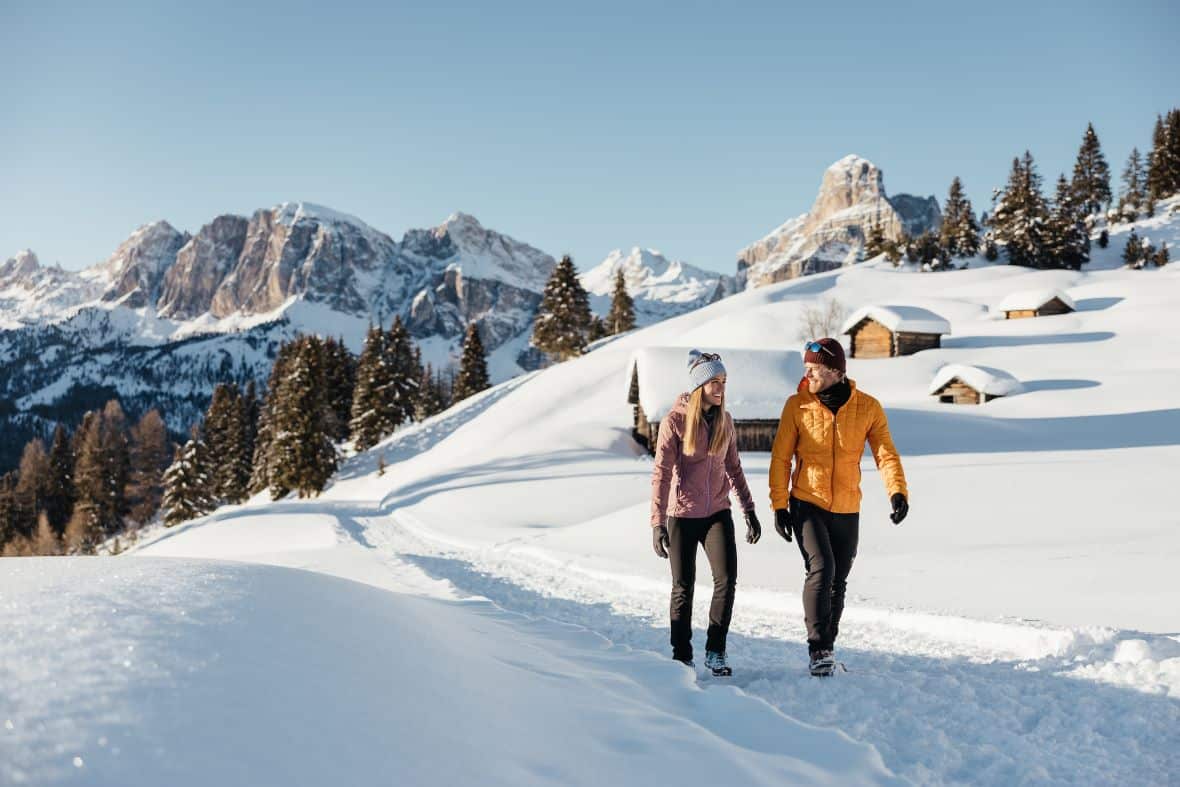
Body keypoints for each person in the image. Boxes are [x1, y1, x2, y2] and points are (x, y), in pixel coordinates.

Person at [769, 338, 908, 676]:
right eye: (806, 369)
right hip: (807, 502)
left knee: (839, 579)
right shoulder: (796, 406)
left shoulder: (868, 407)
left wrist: (897, 492)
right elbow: (781, 457)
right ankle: (818, 649)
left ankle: (827, 645)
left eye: (813, 369)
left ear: (834, 371)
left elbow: (885, 453)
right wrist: (779, 504)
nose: (807, 375)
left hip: (847, 506)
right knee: (822, 568)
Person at [650, 349, 761, 676]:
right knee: (683, 586)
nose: (720, 388)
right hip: (682, 515)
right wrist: (658, 522)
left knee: (726, 580)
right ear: (700, 386)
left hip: (717, 513)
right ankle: (681, 655)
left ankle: (715, 650)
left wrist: (749, 509)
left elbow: (734, 468)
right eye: (714, 382)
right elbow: (661, 474)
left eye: (723, 381)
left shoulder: (725, 421)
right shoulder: (675, 422)